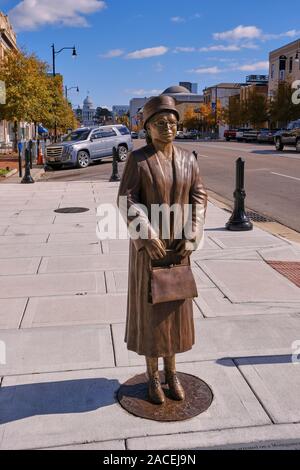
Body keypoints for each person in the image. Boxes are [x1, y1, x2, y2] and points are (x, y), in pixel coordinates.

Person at [117, 95, 207, 405]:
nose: (168, 127)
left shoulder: (188, 159)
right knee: (152, 314)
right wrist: (145, 234)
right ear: (148, 127)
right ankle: (153, 377)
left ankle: (172, 373)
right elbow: (126, 200)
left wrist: (193, 232)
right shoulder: (138, 159)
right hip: (150, 251)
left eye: (172, 123)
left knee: (175, 314)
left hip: (179, 247)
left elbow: (199, 197)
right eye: (160, 123)